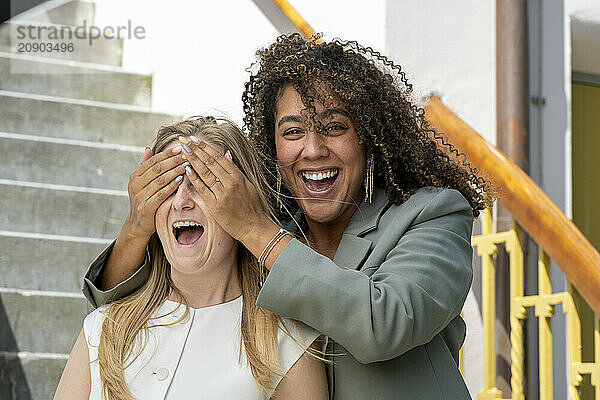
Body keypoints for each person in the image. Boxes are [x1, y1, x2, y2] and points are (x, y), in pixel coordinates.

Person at [82, 34, 492, 399]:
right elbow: (131, 304)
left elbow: (385, 323)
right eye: (293, 132)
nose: (312, 150)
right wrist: (137, 227)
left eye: (334, 127)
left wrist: (254, 229)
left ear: (368, 137)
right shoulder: (278, 222)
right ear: (273, 145)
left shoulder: (432, 212)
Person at [55, 117, 328, 400]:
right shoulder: (101, 329)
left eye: (204, 184)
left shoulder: (291, 344)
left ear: (242, 202)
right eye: (167, 187)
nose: (181, 201)